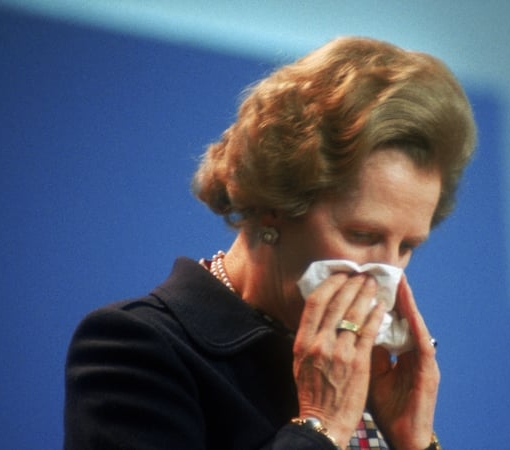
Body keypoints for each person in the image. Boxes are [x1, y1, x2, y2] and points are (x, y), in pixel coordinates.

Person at [64, 36, 476, 450]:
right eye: (362, 236)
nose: (386, 274)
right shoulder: (136, 346)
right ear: (274, 207)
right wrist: (320, 425)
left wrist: (414, 444)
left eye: (406, 247)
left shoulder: (367, 368)